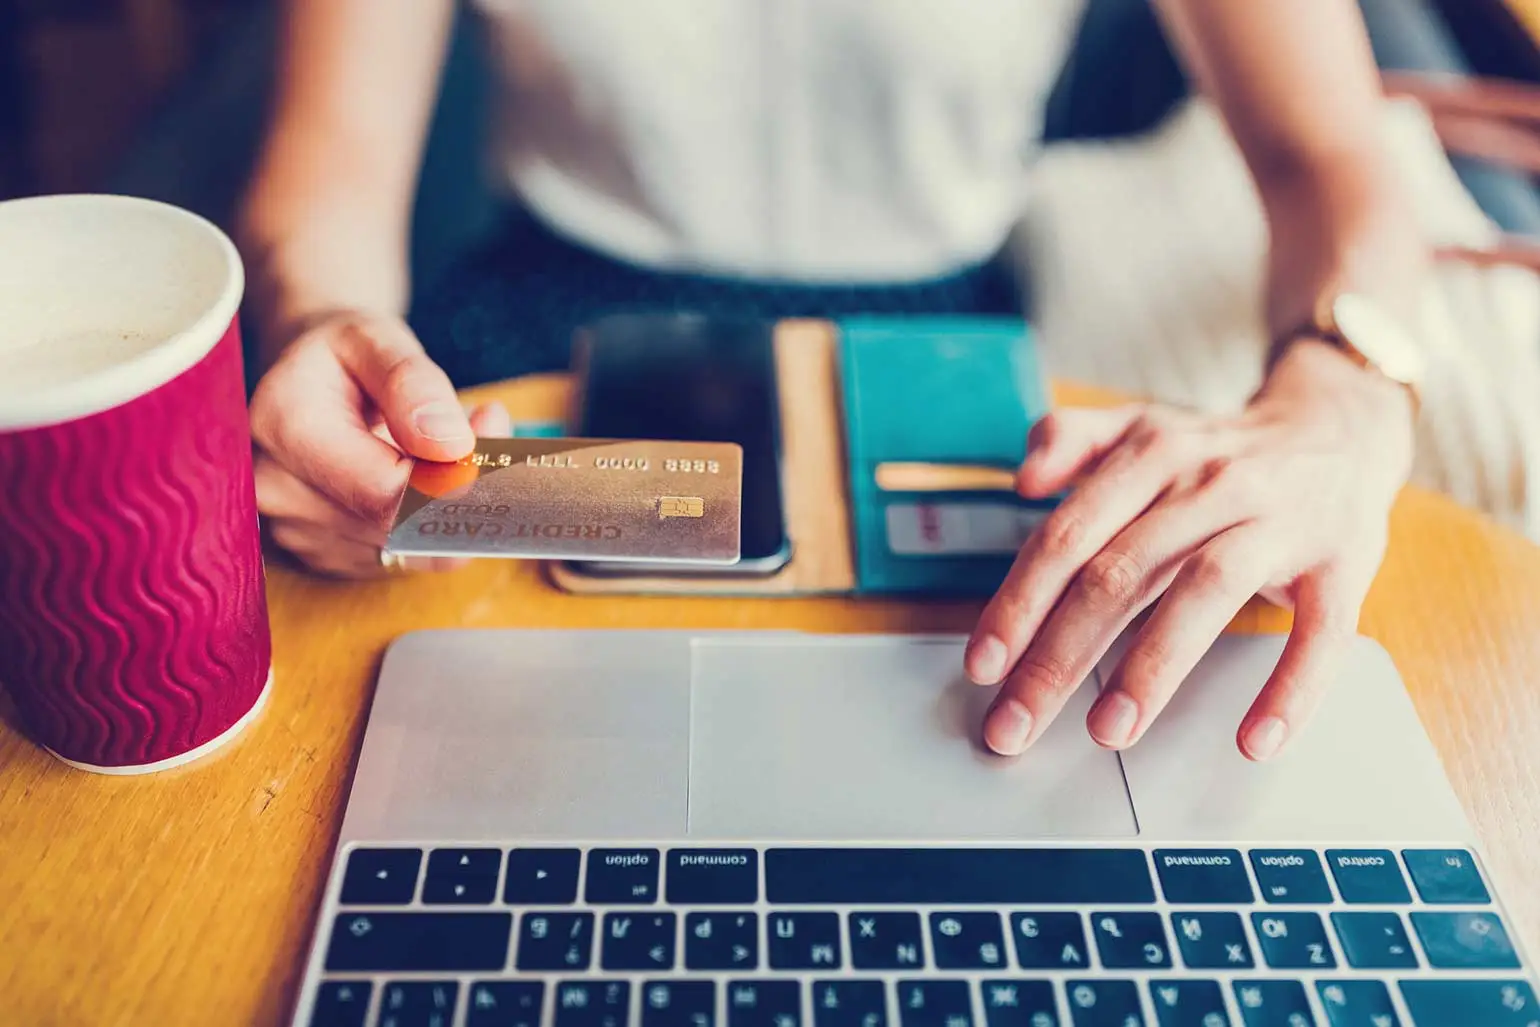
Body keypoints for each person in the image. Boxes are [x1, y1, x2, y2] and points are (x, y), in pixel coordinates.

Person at [240, 0, 1429, 763]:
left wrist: (1345, 395)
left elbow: (1327, 151)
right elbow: (333, 151)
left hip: (932, 339)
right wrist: (329, 325)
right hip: (539, 331)